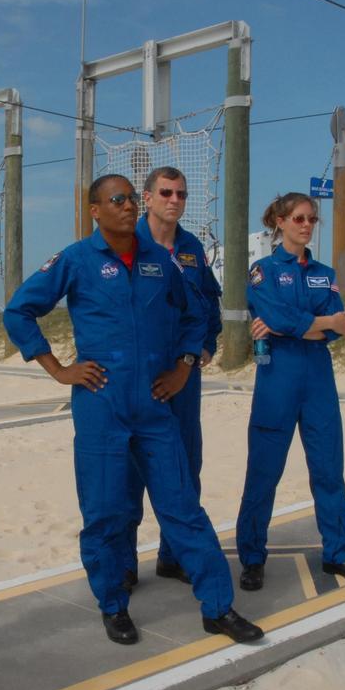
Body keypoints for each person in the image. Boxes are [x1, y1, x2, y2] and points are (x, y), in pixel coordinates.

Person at [3, 175, 262, 646]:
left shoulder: (161, 262)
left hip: (155, 404)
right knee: (106, 510)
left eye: (128, 198)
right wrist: (59, 369)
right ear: (95, 210)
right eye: (115, 199)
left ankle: (218, 608)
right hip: (102, 404)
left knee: (183, 506)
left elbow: (196, 313)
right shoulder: (77, 260)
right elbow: (19, 311)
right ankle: (113, 606)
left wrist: (185, 365)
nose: (125, 206)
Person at [233, 192, 345, 591]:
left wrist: (294, 325)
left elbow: (339, 326)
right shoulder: (262, 270)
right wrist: (313, 322)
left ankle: (338, 553)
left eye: (312, 219)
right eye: (298, 218)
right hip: (277, 380)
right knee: (263, 474)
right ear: (279, 221)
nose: (307, 225)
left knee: (329, 471)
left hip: (318, 381)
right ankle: (252, 557)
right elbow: (274, 316)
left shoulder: (323, 272)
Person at [122, 166, 222, 590]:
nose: (174, 200)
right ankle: (124, 564)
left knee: (185, 464)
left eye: (181, 193)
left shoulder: (191, 248)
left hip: (183, 374)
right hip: (138, 373)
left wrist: (203, 349)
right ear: (147, 197)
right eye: (165, 192)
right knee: (128, 471)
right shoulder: (125, 244)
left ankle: (173, 555)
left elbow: (209, 305)